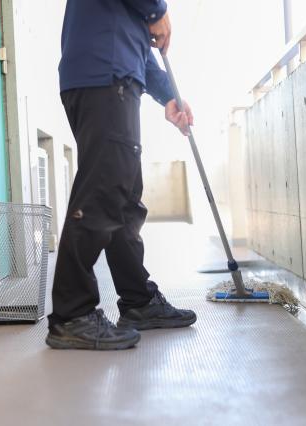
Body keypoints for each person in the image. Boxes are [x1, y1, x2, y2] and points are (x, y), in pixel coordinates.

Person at [46, 0, 196, 350]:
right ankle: (72, 315)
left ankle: (138, 301)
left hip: (112, 73)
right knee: (103, 190)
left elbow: (138, 43)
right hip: (105, 73)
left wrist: (168, 95)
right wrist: (157, 10)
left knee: (123, 197)